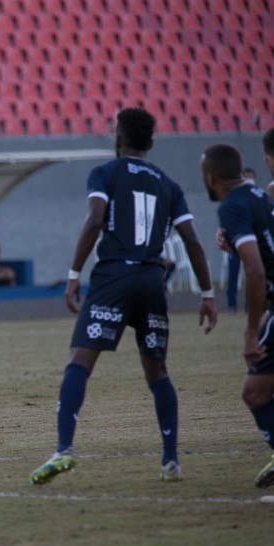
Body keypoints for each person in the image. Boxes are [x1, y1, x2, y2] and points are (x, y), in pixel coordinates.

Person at [29, 107, 218, 485]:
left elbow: (96, 218)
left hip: (113, 278)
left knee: (80, 361)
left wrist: (72, 275)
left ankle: (64, 448)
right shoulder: (169, 184)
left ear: (118, 139)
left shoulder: (105, 173)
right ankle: (170, 461)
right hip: (151, 281)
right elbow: (193, 242)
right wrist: (208, 293)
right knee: (157, 371)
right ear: (150, 142)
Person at [204, 143, 274, 488]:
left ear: (209, 177)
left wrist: (250, 333)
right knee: (258, 391)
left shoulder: (233, 206)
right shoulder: (261, 198)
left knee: (255, 392)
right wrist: (235, 244)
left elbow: (257, 270)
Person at [225, 168, 257, 311]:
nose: (248, 179)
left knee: (251, 273)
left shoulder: (258, 199)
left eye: (250, 177)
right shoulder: (234, 197)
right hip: (235, 242)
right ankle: (231, 304)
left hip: (251, 242)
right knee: (233, 272)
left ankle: (249, 304)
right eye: (245, 176)